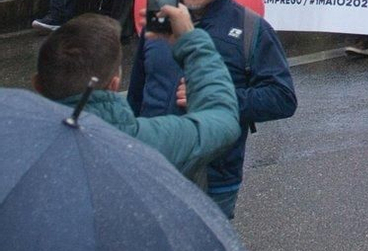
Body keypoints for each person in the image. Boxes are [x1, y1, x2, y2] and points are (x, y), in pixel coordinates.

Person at [129, 0, 298, 219]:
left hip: (213, 181)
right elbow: (137, 94)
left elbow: (282, 98)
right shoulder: (161, 17)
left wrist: (214, 96)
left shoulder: (251, 28)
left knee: (200, 249)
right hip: (153, 169)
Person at [36, 10, 241, 179]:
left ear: (37, 84)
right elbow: (223, 120)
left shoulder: (21, 133)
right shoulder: (143, 140)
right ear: (114, 85)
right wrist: (192, 42)